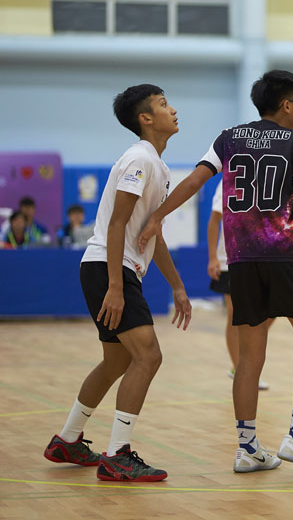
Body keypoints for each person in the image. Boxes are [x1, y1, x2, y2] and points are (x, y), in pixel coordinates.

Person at [139, 69, 293, 474]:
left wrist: (158, 216)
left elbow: (194, 180)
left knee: (249, 358)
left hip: (240, 263)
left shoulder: (228, 137)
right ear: (286, 105)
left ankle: (247, 448)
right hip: (284, 257)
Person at [43, 84, 191, 483]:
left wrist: (177, 286)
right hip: (110, 270)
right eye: (163, 105)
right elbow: (117, 223)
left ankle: (68, 439)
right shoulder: (140, 158)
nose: (173, 110)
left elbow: (149, 233)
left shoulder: (156, 166)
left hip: (112, 269)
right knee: (149, 357)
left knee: (117, 361)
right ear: (145, 119)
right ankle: (117, 456)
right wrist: (115, 284)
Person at [207, 181, 270, 391]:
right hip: (230, 258)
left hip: (259, 257)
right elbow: (215, 219)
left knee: (271, 310)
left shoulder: (265, 178)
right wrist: (213, 257)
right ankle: (239, 368)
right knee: (235, 314)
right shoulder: (226, 181)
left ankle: (245, 364)